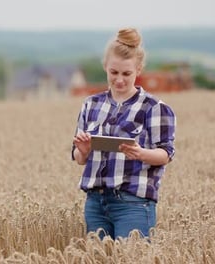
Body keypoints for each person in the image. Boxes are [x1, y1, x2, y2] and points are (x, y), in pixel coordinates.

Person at [71, 28, 176, 240]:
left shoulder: (154, 107)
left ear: (138, 70)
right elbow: (79, 158)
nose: (119, 79)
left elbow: (165, 154)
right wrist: (82, 151)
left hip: (134, 204)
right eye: (114, 72)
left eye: (126, 74)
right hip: (95, 203)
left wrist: (140, 153)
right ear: (105, 68)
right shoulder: (91, 104)